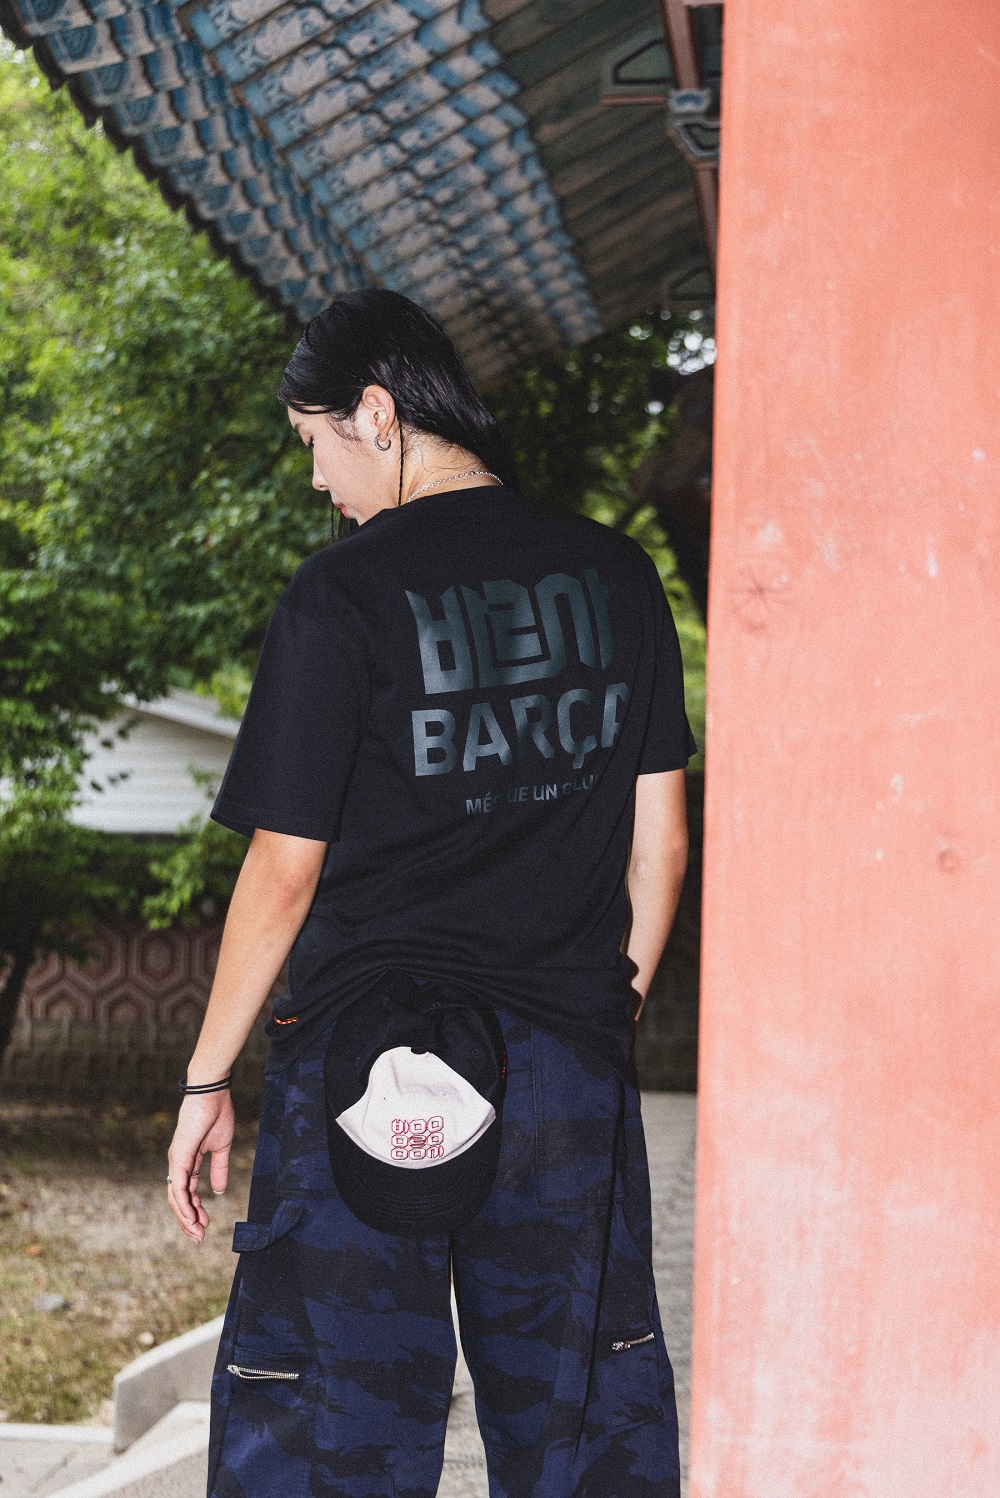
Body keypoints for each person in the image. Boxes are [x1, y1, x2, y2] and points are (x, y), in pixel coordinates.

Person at [166, 288, 695, 1498]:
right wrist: (600, 1014)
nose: (318, 482)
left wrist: (205, 1079)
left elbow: (284, 868)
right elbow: (659, 846)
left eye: (314, 443)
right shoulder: (617, 576)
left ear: (376, 412)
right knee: (581, 1414)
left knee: (330, 1423)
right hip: (564, 1065)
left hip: (365, 1062)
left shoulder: (340, 594)